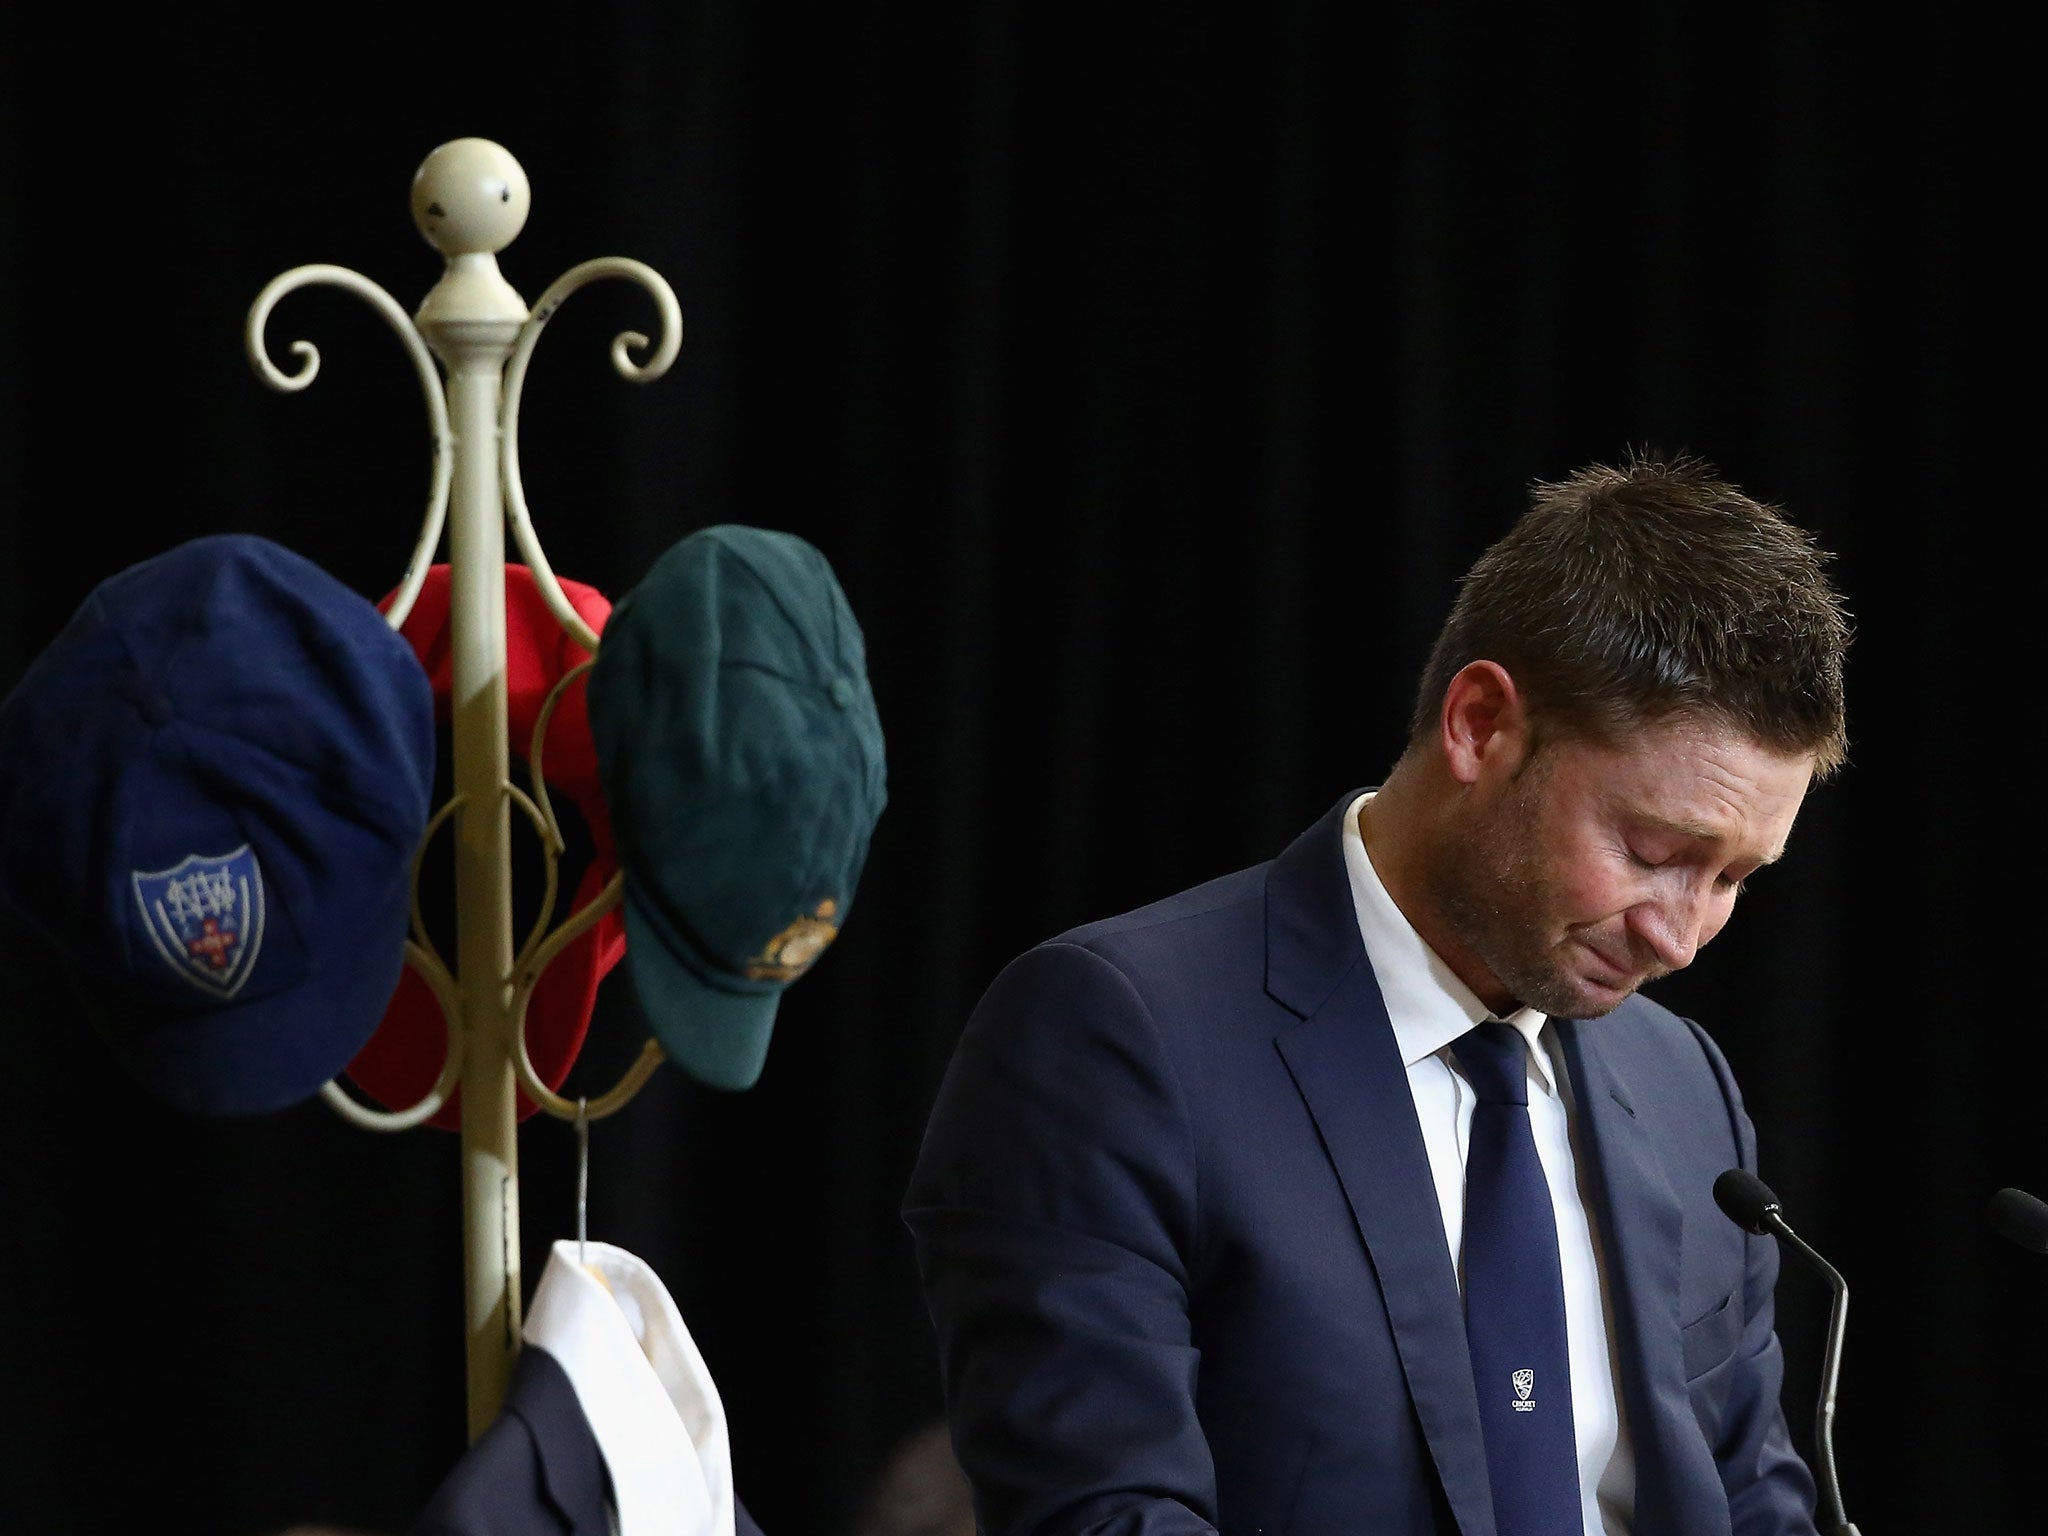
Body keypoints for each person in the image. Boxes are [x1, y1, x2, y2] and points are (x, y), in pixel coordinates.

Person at [903, 456, 1848, 1535]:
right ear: (1480, 724)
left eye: (1731, 879)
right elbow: (1102, 1516)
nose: (1678, 936)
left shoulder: (1683, 1084)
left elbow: (1756, 1505)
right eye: (1649, 850)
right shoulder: (1115, 1035)